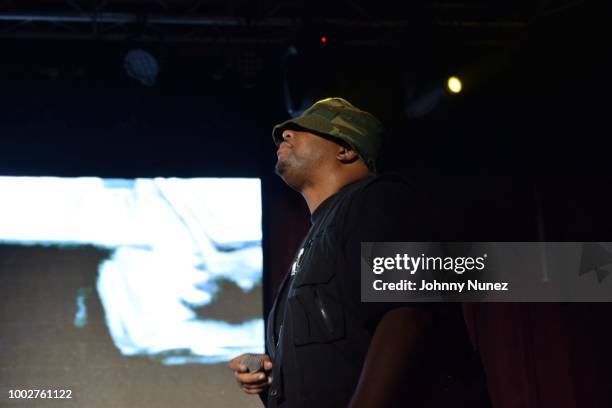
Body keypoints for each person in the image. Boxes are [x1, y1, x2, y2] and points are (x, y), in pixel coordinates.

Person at [229, 97, 490, 407]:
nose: (284, 134)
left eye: (305, 129)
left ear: (346, 149)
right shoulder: (316, 239)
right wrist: (276, 375)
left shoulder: (379, 199)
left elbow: (409, 313)